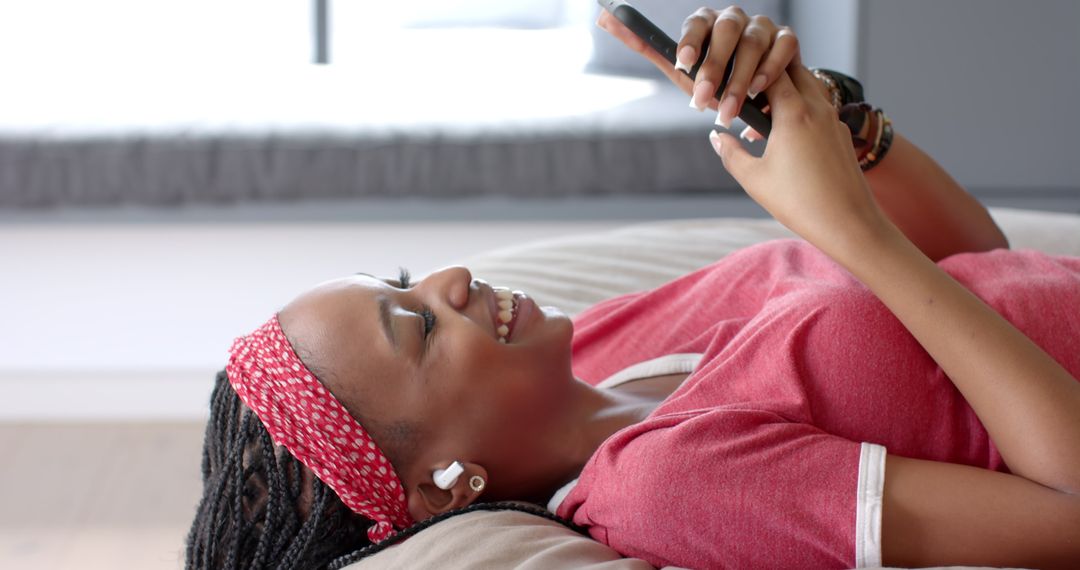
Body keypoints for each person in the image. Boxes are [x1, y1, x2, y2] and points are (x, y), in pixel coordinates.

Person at [186, 5, 1080, 569]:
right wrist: (851, 233)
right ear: (447, 488)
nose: (453, 280)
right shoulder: (669, 488)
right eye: (418, 327)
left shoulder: (604, 344)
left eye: (409, 284)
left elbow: (974, 263)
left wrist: (830, 120)